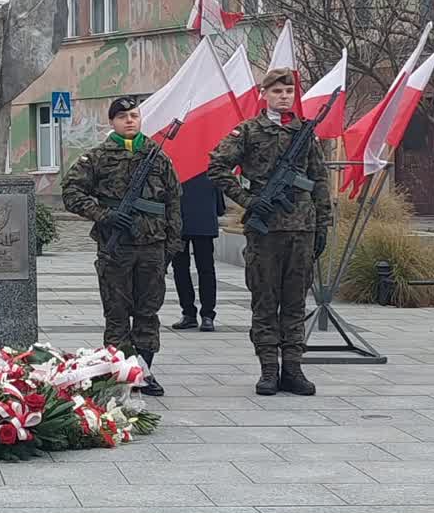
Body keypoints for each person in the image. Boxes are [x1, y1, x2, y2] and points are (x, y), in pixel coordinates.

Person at [207, 68, 330, 397]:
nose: (284, 97)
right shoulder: (248, 131)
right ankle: (268, 370)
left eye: (289, 91)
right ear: (265, 95)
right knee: (265, 302)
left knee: (294, 302)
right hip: (265, 231)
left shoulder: (304, 133)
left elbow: (319, 180)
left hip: (301, 228)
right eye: (277, 92)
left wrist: (323, 224)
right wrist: (249, 200)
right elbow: (217, 166)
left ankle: (293, 368)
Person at [62, 96, 181, 397]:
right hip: (116, 248)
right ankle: (119, 373)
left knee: (147, 311)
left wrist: (173, 243)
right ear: (112, 122)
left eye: (134, 115)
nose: (130, 120)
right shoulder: (98, 157)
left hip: (152, 245)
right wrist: (104, 215)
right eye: (123, 116)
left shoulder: (157, 156)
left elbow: (174, 201)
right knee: (116, 313)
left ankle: (144, 371)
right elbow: (71, 191)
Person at [171, 175, 226, 332]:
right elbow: (220, 207)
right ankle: (207, 316)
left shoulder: (174, 169)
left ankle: (189, 314)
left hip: (179, 224)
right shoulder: (209, 169)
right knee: (206, 269)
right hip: (204, 224)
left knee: (181, 270)